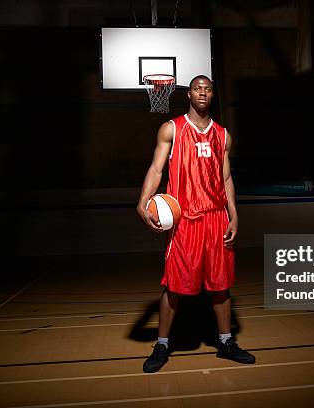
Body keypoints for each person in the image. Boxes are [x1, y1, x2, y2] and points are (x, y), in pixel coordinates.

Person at [137, 75, 255, 373]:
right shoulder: (172, 129)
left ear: (212, 95)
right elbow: (156, 168)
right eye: (197, 88)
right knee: (174, 285)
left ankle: (226, 342)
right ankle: (163, 344)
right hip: (185, 220)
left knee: (220, 284)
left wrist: (234, 214)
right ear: (188, 94)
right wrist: (143, 202)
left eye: (208, 89)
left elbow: (226, 178)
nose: (202, 92)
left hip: (216, 217)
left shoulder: (222, 135)